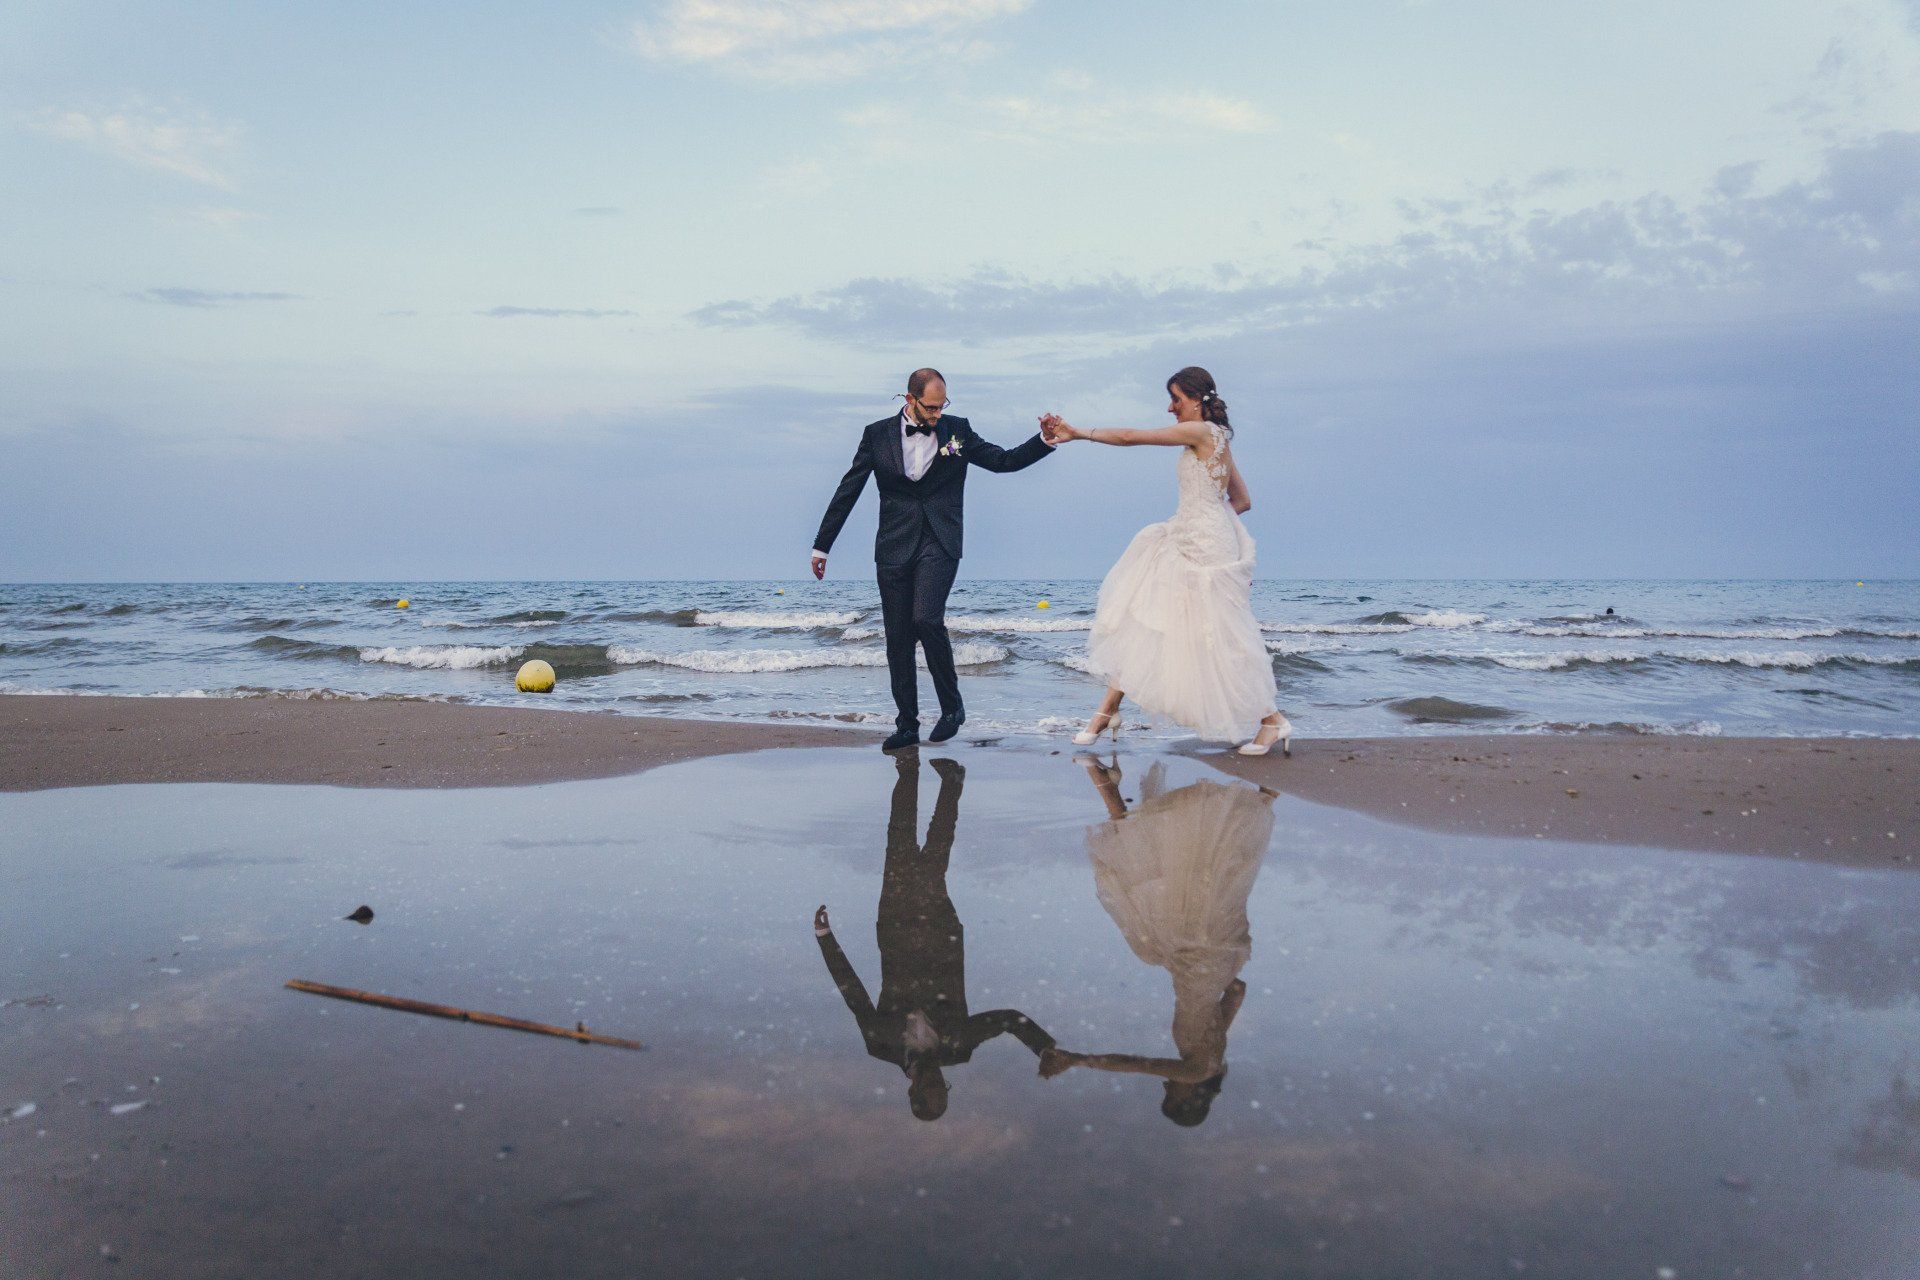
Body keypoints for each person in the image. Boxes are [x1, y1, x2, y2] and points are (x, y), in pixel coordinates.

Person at [1040, 366, 1292, 756]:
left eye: (1176, 398)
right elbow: (1242, 501)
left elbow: (1130, 437)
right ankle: (1105, 713)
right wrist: (1206, 524)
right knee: (1146, 622)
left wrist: (1077, 433)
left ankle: (1273, 720)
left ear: (1196, 399)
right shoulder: (1218, 438)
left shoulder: (1202, 431)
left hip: (1202, 549)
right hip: (1193, 538)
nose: (1170, 407)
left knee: (1220, 638)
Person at [811, 369, 1056, 751]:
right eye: (931, 407)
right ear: (908, 399)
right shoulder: (876, 434)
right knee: (898, 638)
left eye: (943, 406)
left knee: (926, 617)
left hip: (940, 541)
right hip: (893, 546)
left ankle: (952, 707)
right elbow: (849, 489)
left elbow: (1002, 461)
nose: (938, 414)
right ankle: (907, 725)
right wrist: (822, 546)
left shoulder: (956, 430)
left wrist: (1043, 440)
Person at [813, 754, 1054, 1120]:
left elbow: (854, 993)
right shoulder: (958, 1048)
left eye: (932, 1087)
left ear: (912, 1089)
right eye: (943, 1087)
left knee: (899, 839)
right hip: (940, 933)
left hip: (894, 928)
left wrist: (825, 937)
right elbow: (1009, 1019)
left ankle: (917, 772)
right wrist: (1045, 1049)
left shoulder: (880, 1045)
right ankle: (941, 780)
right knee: (934, 857)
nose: (938, 1080)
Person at [1038, 758, 1276, 1126]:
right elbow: (1138, 1065)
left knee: (1196, 879)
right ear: (1190, 1098)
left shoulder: (1213, 1057)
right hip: (1195, 959)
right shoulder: (1196, 1071)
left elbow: (1237, 992)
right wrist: (1078, 1059)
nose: (1167, 1086)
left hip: (1212, 960)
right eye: (1171, 1095)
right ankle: (1104, 785)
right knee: (1143, 883)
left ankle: (1267, 793)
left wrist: (1216, 974)